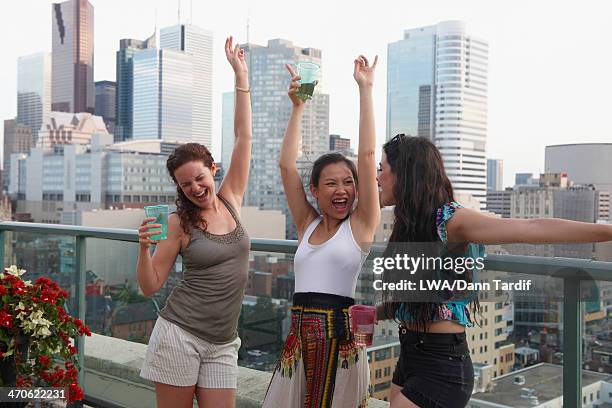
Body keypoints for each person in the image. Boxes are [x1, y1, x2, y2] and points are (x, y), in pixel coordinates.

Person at [376, 134, 612, 408]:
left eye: (382, 169)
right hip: (410, 354)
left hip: (441, 364)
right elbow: (425, 297)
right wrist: (376, 312)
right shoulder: (410, 223)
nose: (378, 177)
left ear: (404, 174)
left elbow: (532, 228)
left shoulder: (452, 219)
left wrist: (608, 231)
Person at [136, 36, 251, 408]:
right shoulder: (178, 223)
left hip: (223, 342)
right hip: (179, 336)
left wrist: (240, 74)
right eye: (185, 185)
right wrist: (143, 248)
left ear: (213, 170)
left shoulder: (231, 198)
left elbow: (243, 137)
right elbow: (150, 286)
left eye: (200, 178)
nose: (195, 188)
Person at [262, 55, 381, 408]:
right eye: (330, 183)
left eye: (348, 183)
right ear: (314, 190)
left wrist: (365, 89)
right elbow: (286, 165)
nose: (341, 189)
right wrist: (298, 107)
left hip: (341, 341)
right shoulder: (307, 223)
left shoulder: (361, 226)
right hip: (299, 340)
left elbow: (368, 154)